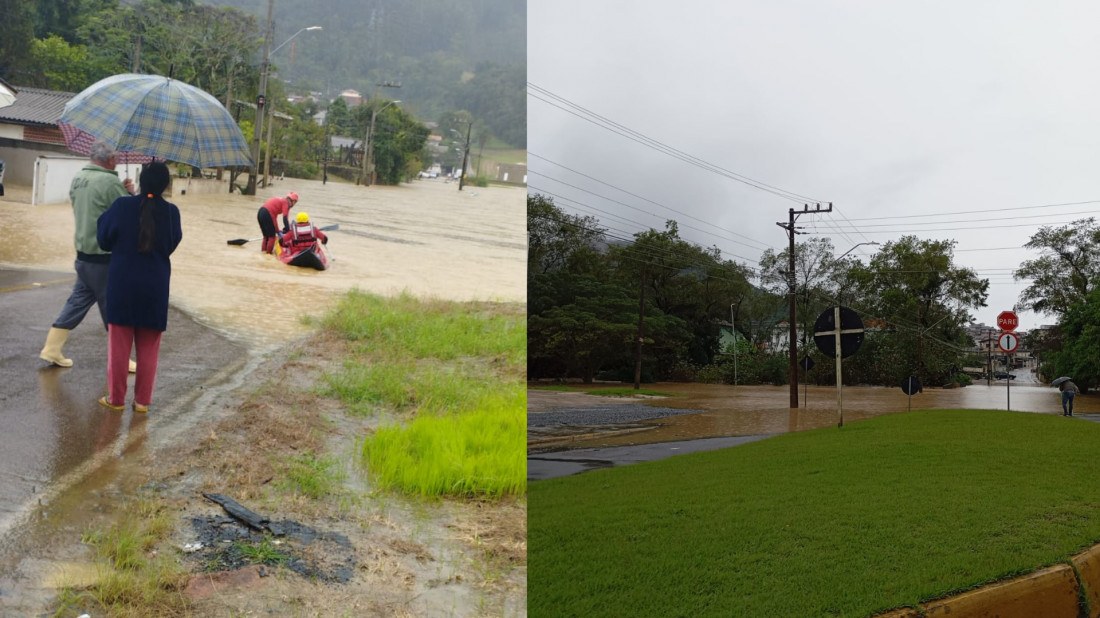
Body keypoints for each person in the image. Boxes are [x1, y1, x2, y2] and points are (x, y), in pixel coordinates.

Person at [39, 142, 136, 371]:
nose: (118, 161)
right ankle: (121, 359)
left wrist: (120, 190)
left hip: (83, 254)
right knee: (113, 308)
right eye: (116, 158)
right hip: (104, 257)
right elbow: (128, 214)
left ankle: (51, 349)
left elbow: (98, 205)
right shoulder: (109, 181)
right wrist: (130, 193)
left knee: (77, 301)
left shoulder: (79, 178)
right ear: (109, 160)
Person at [95, 162, 182, 413]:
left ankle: (116, 399)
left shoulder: (123, 205)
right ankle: (142, 402)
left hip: (122, 285)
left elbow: (103, 239)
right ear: (166, 185)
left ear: (140, 181)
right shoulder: (172, 213)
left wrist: (125, 197)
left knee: (119, 347)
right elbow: (172, 243)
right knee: (149, 349)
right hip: (155, 287)